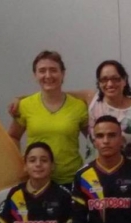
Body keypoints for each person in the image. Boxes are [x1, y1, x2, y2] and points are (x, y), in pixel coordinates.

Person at [7, 50, 88, 187]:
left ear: (63, 74)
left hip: (70, 180)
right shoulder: (25, 105)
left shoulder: (78, 106)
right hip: (37, 181)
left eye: (53, 70)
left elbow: (94, 139)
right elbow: (13, 136)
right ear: (35, 75)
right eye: (42, 71)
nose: (48, 75)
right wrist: (22, 165)